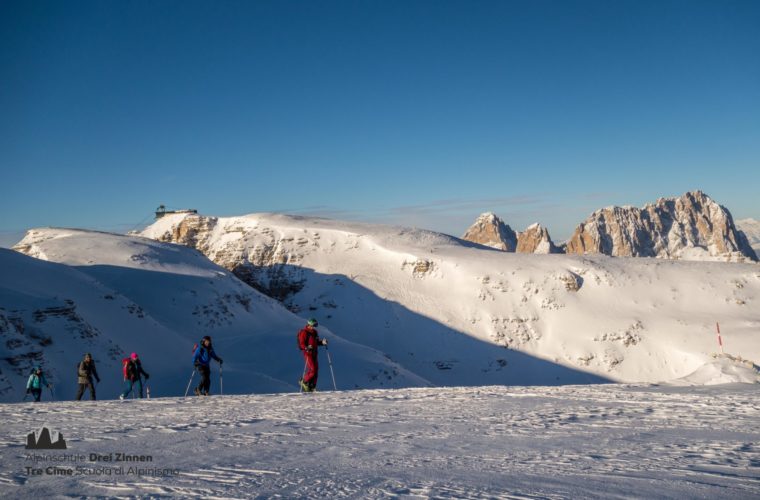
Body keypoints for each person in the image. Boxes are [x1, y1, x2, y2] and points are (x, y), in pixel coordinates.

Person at [297, 318, 327, 392]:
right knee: (312, 369)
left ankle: (312, 386)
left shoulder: (315, 332)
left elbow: (316, 342)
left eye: (315, 325)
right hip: (308, 354)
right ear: (309, 324)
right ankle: (304, 381)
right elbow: (301, 344)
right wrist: (306, 347)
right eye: (313, 325)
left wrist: (322, 343)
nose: (313, 327)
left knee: (316, 370)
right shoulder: (304, 332)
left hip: (314, 353)